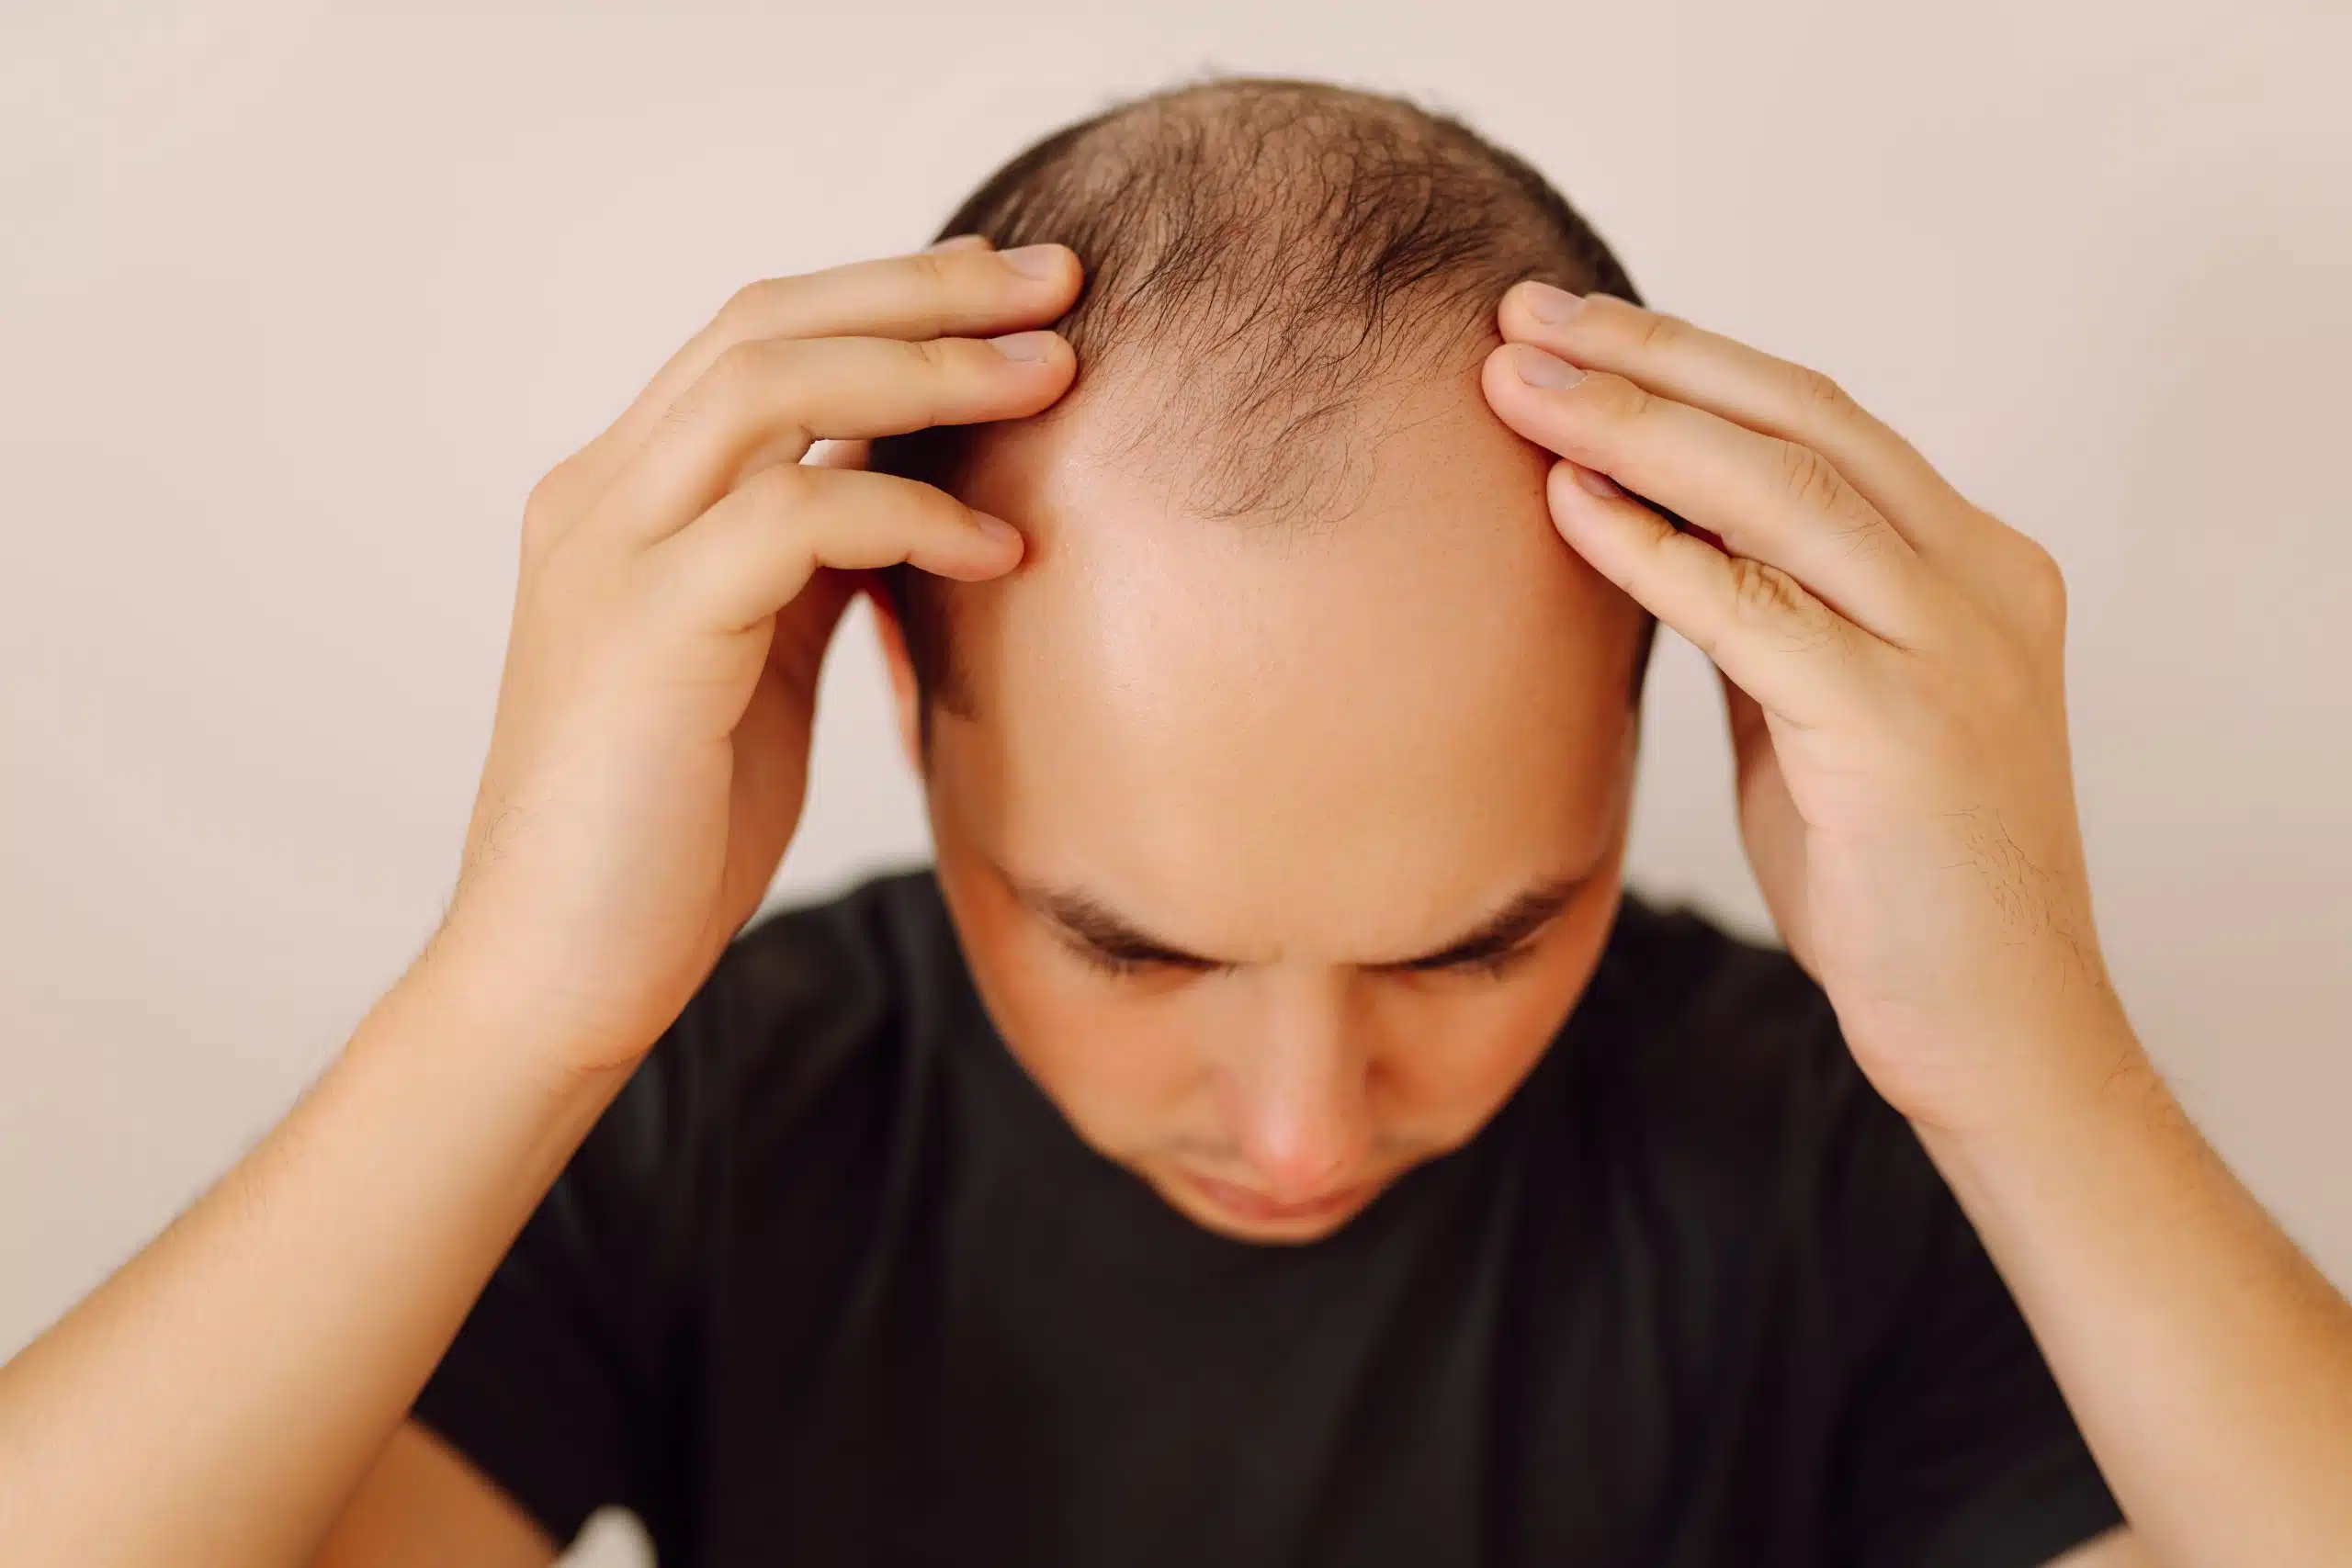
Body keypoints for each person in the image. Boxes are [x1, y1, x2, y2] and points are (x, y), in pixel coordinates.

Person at [1, 73, 2346, 1568]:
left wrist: (2031, 1058)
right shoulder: (726, 1110)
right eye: (1129, 947)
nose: (1302, 1123)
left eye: (1469, 946)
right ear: (899, 703)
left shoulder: (1843, 1168)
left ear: (1661, 721)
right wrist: (511, 998)